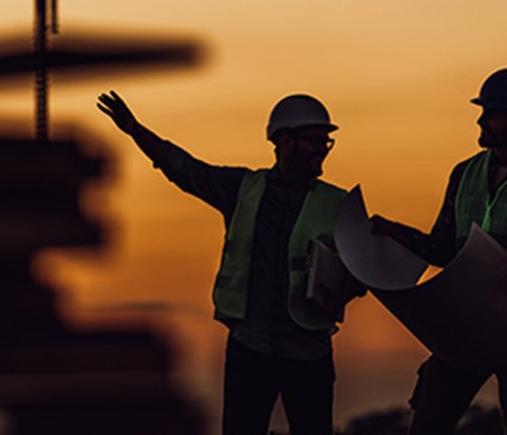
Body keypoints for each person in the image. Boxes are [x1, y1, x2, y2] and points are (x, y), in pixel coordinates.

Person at [97, 91, 356, 435]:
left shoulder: (339, 205)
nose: (322, 149)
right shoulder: (242, 189)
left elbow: (365, 272)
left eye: (326, 142)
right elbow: (185, 170)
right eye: (314, 140)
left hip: (307, 352)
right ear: (285, 141)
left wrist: (342, 288)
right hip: (251, 349)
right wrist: (136, 130)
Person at [371, 68, 507, 435]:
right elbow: (442, 248)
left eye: (491, 112)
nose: (481, 119)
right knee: (430, 420)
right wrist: (393, 232)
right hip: (465, 319)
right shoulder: (463, 174)